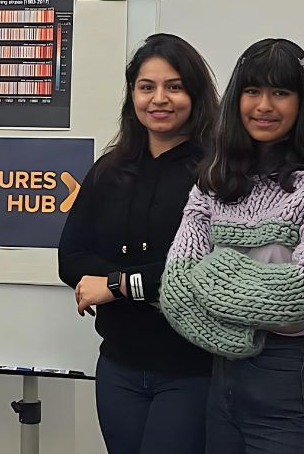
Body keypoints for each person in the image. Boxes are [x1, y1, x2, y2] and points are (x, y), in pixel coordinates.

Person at [160, 37, 304, 454]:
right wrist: (251, 304)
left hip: (295, 380)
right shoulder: (216, 180)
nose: (264, 106)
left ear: (303, 101)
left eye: (281, 92)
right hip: (223, 378)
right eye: (252, 91)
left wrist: (215, 272)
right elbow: (175, 291)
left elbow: (303, 297)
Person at [58, 33, 220, 454]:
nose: (159, 99)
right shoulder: (110, 169)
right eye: (147, 87)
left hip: (192, 370)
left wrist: (111, 286)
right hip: (118, 366)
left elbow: (201, 273)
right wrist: (141, 284)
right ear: (132, 94)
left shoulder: (218, 175)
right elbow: (71, 259)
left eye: (175, 86)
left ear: (195, 94)